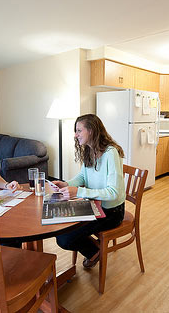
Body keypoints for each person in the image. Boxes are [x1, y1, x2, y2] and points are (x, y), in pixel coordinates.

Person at [53, 114, 126, 269]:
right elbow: (83, 176)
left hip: (111, 212)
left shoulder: (111, 153)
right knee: (60, 229)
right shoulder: (89, 150)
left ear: (91, 130)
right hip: (94, 205)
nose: (75, 135)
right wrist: (66, 184)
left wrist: (78, 192)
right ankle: (95, 250)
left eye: (79, 130)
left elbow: (113, 192)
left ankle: (94, 251)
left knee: (64, 238)